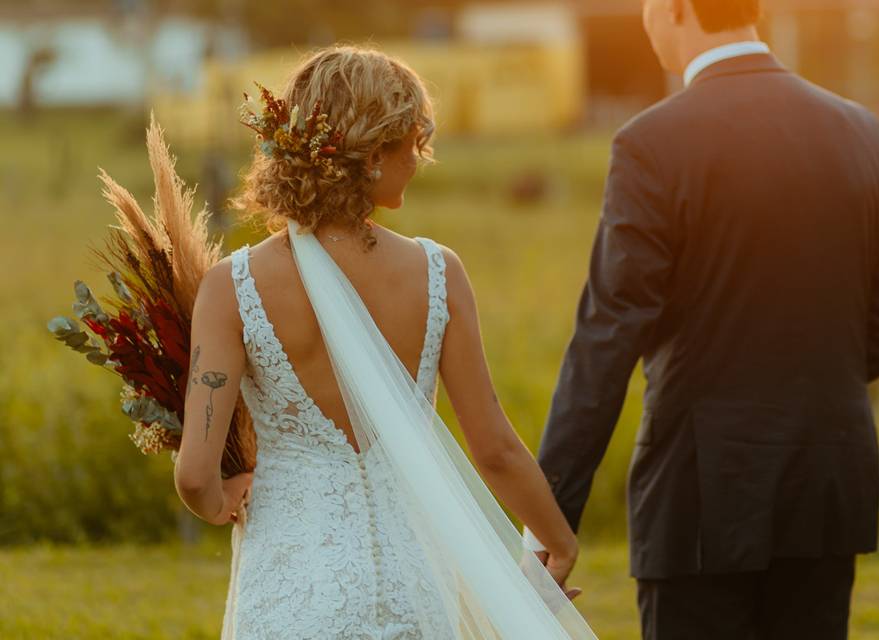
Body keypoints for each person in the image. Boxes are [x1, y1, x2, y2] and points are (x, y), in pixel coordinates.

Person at [528, 1, 879, 638]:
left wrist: (548, 512)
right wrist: (804, 373)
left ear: (676, 8)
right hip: (826, 479)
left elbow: (608, 334)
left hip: (698, 494)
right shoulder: (859, 127)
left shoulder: (651, 143)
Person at [172, 46, 596, 639]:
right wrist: (557, 538)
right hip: (412, 584)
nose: (419, 160)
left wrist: (217, 503)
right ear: (372, 155)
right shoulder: (437, 273)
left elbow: (194, 474)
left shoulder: (231, 288)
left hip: (295, 589)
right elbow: (494, 446)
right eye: (412, 144)